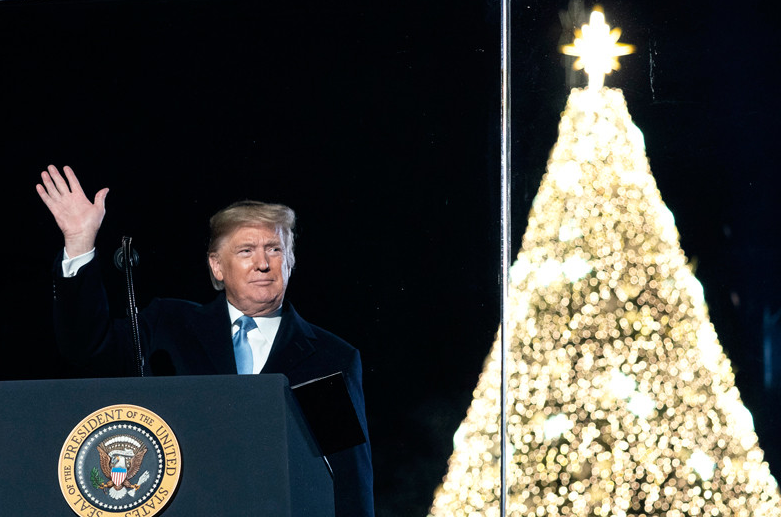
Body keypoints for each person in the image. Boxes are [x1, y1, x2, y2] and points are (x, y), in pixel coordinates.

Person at [36, 164, 374, 517]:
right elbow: (87, 347)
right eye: (246, 251)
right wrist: (79, 242)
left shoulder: (328, 357)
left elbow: (348, 480)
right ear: (217, 266)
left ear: (290, 260)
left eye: (274, 249)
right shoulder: (170, 326)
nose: (262, 263)